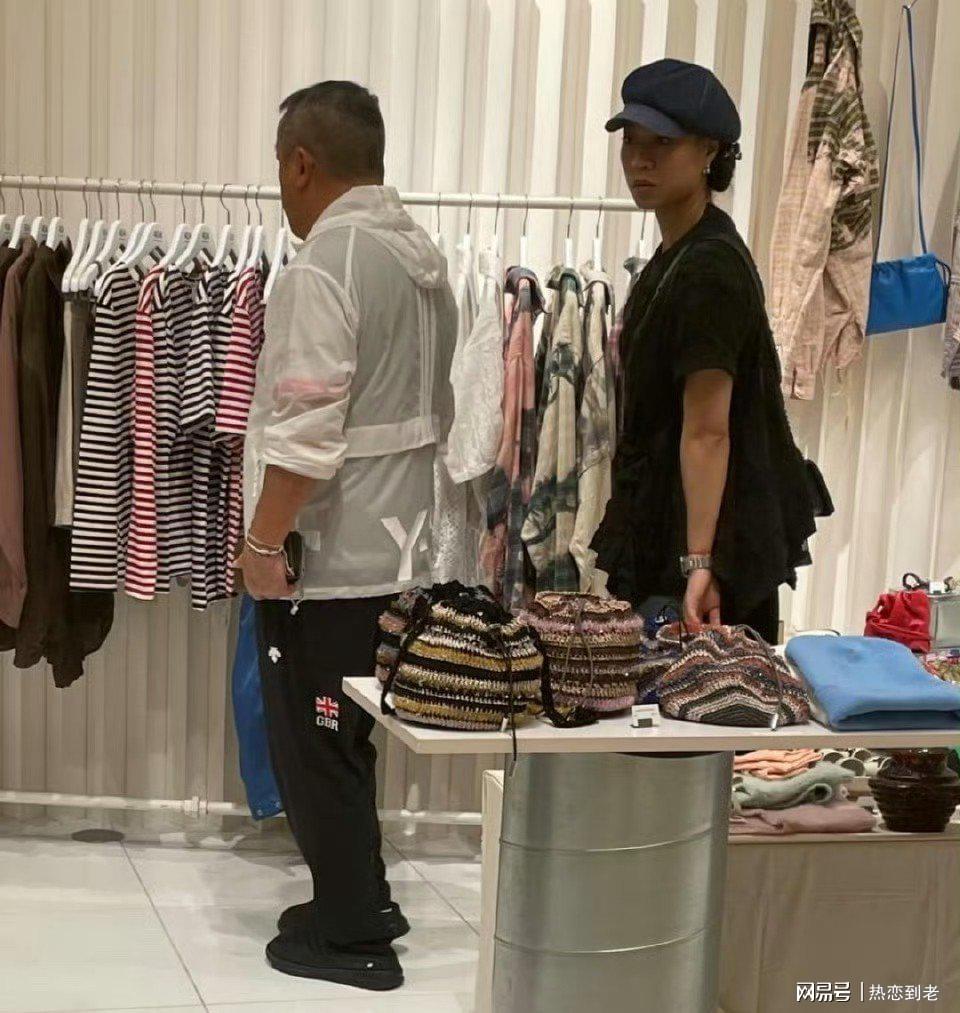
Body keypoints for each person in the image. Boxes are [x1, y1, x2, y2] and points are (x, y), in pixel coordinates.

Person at [234, 80, 457, 991]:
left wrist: (261, 548)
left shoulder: (327, 262)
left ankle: (354, 936)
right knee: (347, 737)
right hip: (402, 551)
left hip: (326, 561)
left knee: (314, 741)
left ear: (301, 163)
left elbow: (304, 433)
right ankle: (360, 895)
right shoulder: (419, 259)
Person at [592, 60, 822, 644]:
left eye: (662, 143)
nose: (639, 160)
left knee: (704, 698)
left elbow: (708, 431)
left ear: (709, 152)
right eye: (631, 141)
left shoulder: (708, 270)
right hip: (678, 524)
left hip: (704, 553)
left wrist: (699, 563)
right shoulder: (678, 255)